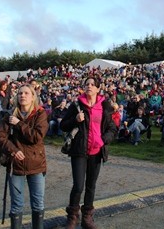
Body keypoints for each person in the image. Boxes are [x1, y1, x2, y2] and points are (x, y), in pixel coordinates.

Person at [60, 77, 117, 229]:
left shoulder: (104, 106)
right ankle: (72, 216)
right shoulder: (77, 104)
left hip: (96, 151)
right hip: (79, 150)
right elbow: (63, 125)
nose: (89, 86)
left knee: (91, 185)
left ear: (98, 89)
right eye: (87, 84)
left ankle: (87, 217)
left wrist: (103, 140)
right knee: (78, 186)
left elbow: (112, 128)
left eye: (93, 85)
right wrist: (75, 120)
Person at [0, 84, 48, 229]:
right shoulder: (11, 114)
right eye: (20, 93)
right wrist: (12, 150)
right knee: (16, 205)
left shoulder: (40, 114)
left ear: (33, 97)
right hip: (16, 165)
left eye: (26, 93)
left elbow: (37, 137)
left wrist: (19, 124)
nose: (22, 96)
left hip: (37, 164)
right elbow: (0, 136)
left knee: (38, 203)